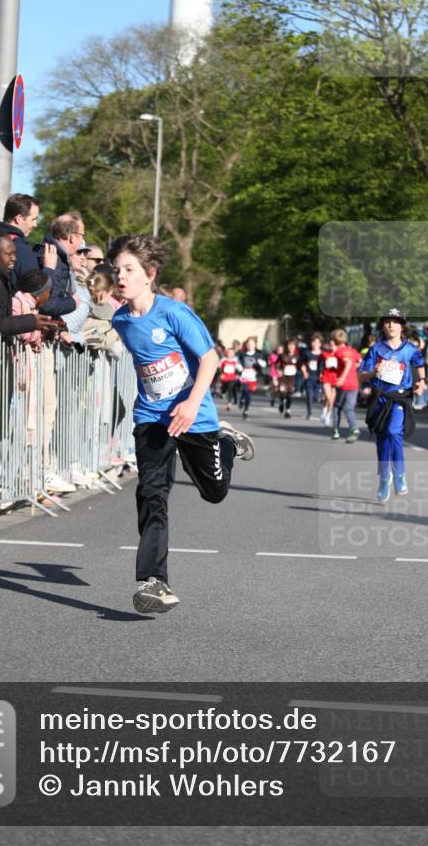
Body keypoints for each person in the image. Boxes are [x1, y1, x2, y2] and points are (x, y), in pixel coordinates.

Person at [108, 234, 254, 614]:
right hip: (152, 417)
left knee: (214, 492)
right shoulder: (120, 320)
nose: (120, 277)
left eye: (129, 270)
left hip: (194, 415)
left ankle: (225, 444)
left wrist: (191, 403)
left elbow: (210, 359)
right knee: (152, 494)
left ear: (150, 274)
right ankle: (154, 580)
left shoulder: (174, 313)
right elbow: (147, 365)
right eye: (117, 270)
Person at [360, 308, 426, 501]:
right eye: (387, 321)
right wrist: (373, 372)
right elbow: (361, 374)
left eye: (395, 322)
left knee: (393, 431)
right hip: (380, 397)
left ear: (401, 326)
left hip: (399, 398)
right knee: (382, 439)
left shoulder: (409, 349)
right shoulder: (376, 349)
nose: (391, 325)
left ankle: (399, 474)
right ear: (383, 325)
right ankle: (384, 477)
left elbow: (420, 364)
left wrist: (421, 382)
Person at [331, 329, 361, 441]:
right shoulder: (352, 351)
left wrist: (343, 376)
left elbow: (348, 363)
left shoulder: (338, 352)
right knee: (349, 408)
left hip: (343, 384)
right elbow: (359, 362)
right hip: (354, 383)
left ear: (334, 340)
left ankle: (336, 430)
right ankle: (353, 428)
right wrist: (353, 370)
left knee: (337, 406)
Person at [236, 336, 266, 420]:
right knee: (245, 390)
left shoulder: (258, 355)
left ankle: (246, 411)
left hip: (252, 376)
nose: (250, 345)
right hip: (244, 375)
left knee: (249, 395)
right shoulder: (242, 354)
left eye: (252, 344)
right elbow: (238, 362)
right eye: (249, 344)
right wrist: (239, 368)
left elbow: (264, 364)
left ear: (255, 345)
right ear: (246, 345)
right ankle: (242, 399)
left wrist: (261, 363)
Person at [300, 333, 324, 419]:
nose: (314, 344)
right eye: (313, 342)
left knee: (316, 397)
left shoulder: (323, 354)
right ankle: (309, 412)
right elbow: (302, 364)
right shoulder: (307, 353)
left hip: (318, 378)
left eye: (317, 342)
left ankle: (319, 398)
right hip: (309, 377)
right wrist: (304, 372)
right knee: (309, 396)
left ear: (320, 344)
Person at [277, 338, 300, 418]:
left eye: (292, 345)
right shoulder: (282, 355)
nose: (291, 347)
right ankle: (281, 402)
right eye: (289, 345)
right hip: (283, 377)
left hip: (292, 378)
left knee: (289, 394)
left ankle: (288, 411)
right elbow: (277, 364)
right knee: (282, 392)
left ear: (295, 346)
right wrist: (279, 370)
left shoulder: (297, 356)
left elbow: (301, 365)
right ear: (287, 346)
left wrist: (303, 370)